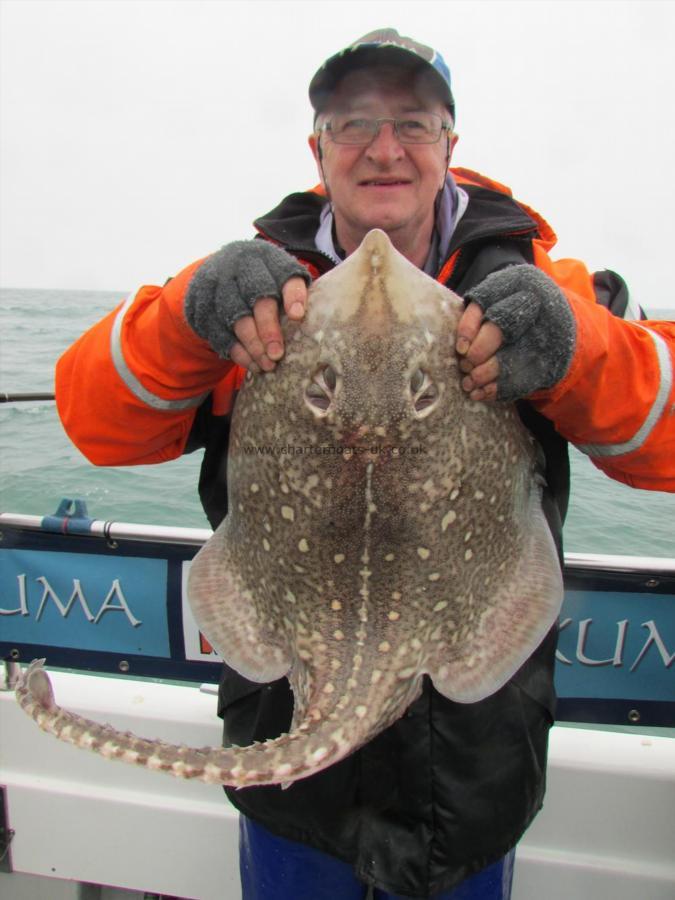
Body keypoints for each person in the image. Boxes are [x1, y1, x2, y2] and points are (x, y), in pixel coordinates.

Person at [55, 28, 675, 900]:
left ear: (450, 145)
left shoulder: (547, 284)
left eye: (413, 125)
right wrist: (183, 318)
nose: (384, 149)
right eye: (353, 124)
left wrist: (577, 351)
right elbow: (98, 424)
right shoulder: (252, 295)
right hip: (295, 794)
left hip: (468, 786)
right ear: (317, 148)